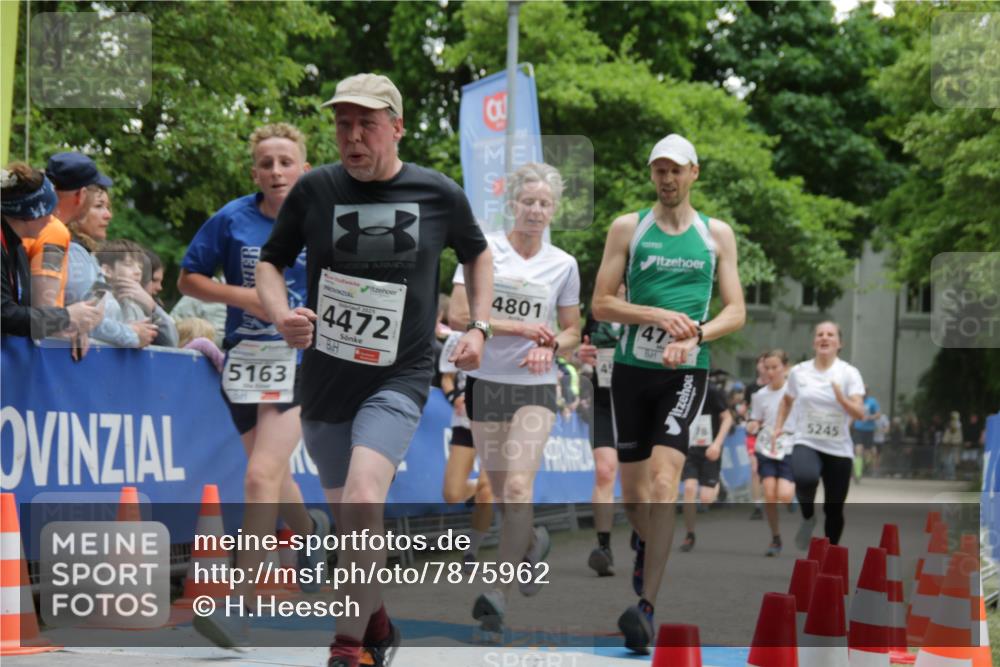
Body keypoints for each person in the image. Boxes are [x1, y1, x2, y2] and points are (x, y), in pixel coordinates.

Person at [255, 74, 493, 667]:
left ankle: (349, 645)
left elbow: (477, 252)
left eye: (367, 124)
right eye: (342, 125)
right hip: (327, 380)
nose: (353, 137)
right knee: (351, 523)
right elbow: (270, 262)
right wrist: (283, 315)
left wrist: (479, 326)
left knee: (364, 497)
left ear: (397, 127)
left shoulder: (436, 192)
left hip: (400, 375)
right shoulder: (314, 191)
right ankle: (378, 619)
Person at [590, 133, 745, 653]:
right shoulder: (629, 228)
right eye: (659, 169)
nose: (667, 178)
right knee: (634, 497)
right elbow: (601, 304)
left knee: (663, 481)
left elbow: (736, 311)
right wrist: (656, 315)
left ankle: (646, 608)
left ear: (694, 173)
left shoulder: (715, 234)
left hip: (686, 373)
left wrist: (696, 334)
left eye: (676, 170)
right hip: (632, 370)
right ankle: (642, 544)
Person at [183, 123, 330, 649]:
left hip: (303, 362)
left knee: (259, 475)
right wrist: (247, 299)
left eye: (285, 162)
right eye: (266, 163)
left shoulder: (325, 220)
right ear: (254, 172)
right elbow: (188, 279)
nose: (275, 171)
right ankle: (312, 532)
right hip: (245, 362)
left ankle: (239, 604)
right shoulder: (232, 219)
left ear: (304, 169)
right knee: (268, 475)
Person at [448, 161, 581, 631]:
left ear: (554, 210)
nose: (537, 210)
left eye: (545, 204)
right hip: (487, 382)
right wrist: (517, 327)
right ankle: (530, 544)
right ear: (512, 204)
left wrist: (550, 346)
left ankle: (499, 593)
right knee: (502, 493)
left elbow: (572, 330)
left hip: (535, 389)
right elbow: (459, 313)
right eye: (529, 202)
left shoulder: (563, 264)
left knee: (520, 487)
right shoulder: (485, 251)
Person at [773, 321, 866, 549]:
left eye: (830, 335)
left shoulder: (848, 373)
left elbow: (860, 413)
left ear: (839, 343)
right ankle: (807, 517)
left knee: (833, 509)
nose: (824, 338)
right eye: (820, 334)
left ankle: (830, 556)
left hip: (838, 447)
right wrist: (778, 427)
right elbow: (786, 401)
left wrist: (841, 398)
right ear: (814, 342)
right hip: (807, 440)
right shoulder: (799, 371)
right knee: (805, 477)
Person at [1, 162, 103, 356]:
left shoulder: (17, 245)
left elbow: (24, 309)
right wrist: (65, 318)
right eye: (47, 211)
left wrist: (67, 325)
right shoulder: (55, 233)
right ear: (28, 214)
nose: (51, 219)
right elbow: (6, 314)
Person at [64, 185, 158, 348]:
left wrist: (151, 307)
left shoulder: (88, 256)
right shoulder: (74, 251)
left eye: (108, 208)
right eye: (99, 206)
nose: (108, 215)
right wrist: (132, 334)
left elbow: (168, 338)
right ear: (78, 207)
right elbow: (86, 320)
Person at [576, 289, 625, 577]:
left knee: (639, 482)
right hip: (602, 399)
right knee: (605, 470)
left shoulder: (651, 310)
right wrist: (582, 359)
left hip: (639, 401)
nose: (620, 288)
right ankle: (603, 547)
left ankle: (644, 540)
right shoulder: (596, 314)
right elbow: (580, 352)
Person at [22, 152, 111, 308]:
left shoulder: (30, 221)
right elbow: (45, 309)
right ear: (81, 194)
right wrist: (71, 318)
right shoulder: (53, 232)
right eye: (94, 193)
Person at [746, 349, 796, 556]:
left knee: (784, 496)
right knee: (769, 492)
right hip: (766, 447)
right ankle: (775, 538)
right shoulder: (759, 395)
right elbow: (755, 419)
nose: (771, 371)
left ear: (785, 367)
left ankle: (794, 497)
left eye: (775, 367)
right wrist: (752, 425)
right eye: (767, 368)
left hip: (789, 446)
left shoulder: (795, 392)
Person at [678, 380, 733, 552]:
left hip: (710, 449)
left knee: (706, 498)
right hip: (690, 449)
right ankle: (689, 534)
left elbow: (728, 418)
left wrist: (717, 443)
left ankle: (719, 486)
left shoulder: (710, 391)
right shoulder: (679, 389)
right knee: (689, 488)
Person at [851, 386, 880, 482]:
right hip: (858, 430)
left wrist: (870, 417)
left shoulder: (872, 401)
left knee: (869, 454)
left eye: (864, 391)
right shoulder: (856, 400)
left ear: (867, 392)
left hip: (869, 431)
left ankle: (867, 464)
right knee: (858, 450)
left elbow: (878, 415)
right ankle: (858, 474)